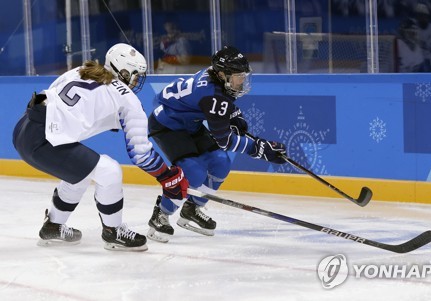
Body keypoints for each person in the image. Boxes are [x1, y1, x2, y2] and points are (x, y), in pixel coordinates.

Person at [12, 43, 188, 252]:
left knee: (80, 172)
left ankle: (53, 226)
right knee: (109, 171)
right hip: (43, 141)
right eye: (135, 75)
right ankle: (113, 232)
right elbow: (140, 154)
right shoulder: (127, 98)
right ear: (123, 71)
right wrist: (166, 175)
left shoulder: (79, 70)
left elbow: (50, 97)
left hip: (24, 128)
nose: (137, 81)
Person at [147, 46, 287, 242]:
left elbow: (216, 106)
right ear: (222, 74)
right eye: (239, 75)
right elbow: (225, 139)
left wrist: (232, 114)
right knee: (194, 174)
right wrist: (260, 149)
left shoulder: (217, 80)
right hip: (167, 127)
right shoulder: (212, 93)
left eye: (244, 74)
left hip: (189, 124)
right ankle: (160, 214)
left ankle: (192, 208)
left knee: (221, 162)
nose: (243, 79)